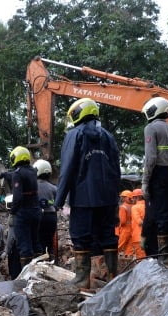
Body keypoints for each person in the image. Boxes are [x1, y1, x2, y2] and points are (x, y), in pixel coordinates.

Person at [55, 98, 121, 287]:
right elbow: (116, 169)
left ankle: (82, 279)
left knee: (81, 236)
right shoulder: (108, 136)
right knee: (108, 235)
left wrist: (59, 200)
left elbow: (67, 169)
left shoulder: (74, 135)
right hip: (107, 198)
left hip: (83, 197)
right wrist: (115, 197)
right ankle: (112, 276)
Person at [141, 97, 168, 266]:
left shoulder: (151, 128)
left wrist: (145, 181)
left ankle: (163, 259)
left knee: (159, 215)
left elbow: (150, 157)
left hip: (158, 173)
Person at [9, 146, 42, 268]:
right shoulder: (33, 171)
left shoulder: (17, 174)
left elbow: (17, 197)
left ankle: (27, 277)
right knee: (35, 242)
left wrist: (12, 212)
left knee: (24, 245)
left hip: (23, 213)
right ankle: (41, 271)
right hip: (36, 211)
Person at [33, 159, 58, 259]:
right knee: (49, 242)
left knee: (39, 242)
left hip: (38, 218)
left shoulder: (33, 187)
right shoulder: (54, 188)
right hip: (52, 218)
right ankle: (52, 261)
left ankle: (40, 263)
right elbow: (58, 204)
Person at [4, 194, 22, 279]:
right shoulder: (25, 213)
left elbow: (11, 237)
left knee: (14, 269)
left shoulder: (13, 217)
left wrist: (6, 251)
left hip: (16, 247)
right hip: (26, 245)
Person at [116, 190, 133, 257]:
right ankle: (127, 260)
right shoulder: (133, 206)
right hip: (132, 229)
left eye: (123, 197)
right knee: (129, 247)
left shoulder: (123, 207)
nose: (122, 198)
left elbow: (122, 221)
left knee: (120, 245)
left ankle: (113, 257)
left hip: (125, 229)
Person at [130, 188, 146, 259]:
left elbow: (139, 222)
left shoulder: (135, 207)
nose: (132, 200)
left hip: (138, 237)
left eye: (133, 198)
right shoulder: (148, 205)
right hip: (149, 236)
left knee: (141, 259)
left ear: (137, 197)